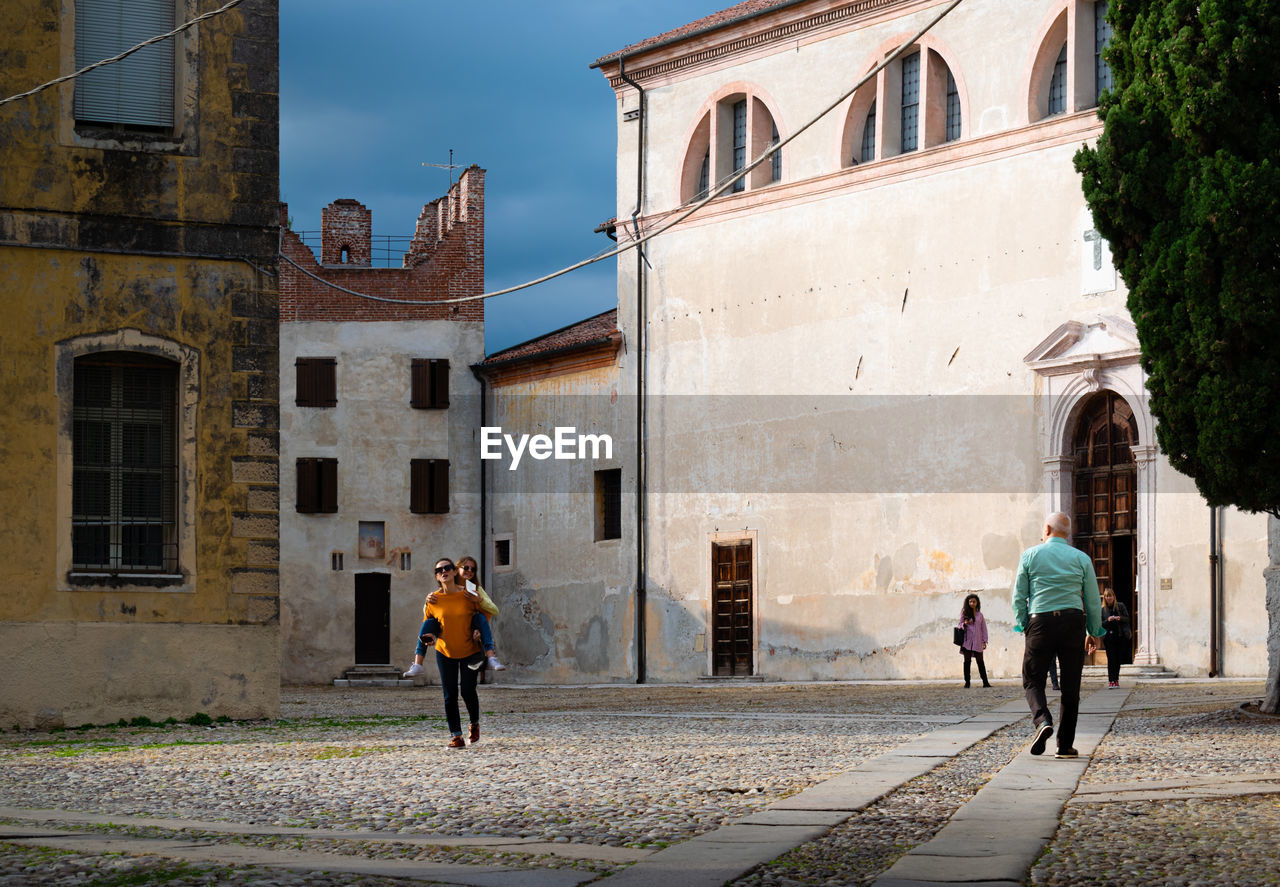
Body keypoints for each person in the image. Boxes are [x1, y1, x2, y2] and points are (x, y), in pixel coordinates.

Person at [1013, 512, 1104, 759]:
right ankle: (1064, 745)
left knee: (1033, 680)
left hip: (1040, 621)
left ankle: (1042, 721)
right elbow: (1093, 600)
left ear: (1046, 529)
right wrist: (1093, 631)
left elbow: (1019, 595)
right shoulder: (1081, 558)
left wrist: (1023, 624)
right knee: (1071, 686)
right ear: (1068, 532)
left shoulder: (1030, 555)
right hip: (1073, 621)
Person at [403, 555, 504, 677]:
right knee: (428, 622)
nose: (470, 571)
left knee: (468, 691)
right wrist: (427, 602)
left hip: (469, 639)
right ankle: (418, 663)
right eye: (466, 567)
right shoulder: (440, 592)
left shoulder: (474, 591)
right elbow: (430, 615)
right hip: (446, 644)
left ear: (453, 571)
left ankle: (491, 657)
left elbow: (489, 612)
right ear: (456, 570)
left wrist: (480, 601)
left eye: (473, 569)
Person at [420, 558, 485, 747]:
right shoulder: (433, 599)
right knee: (449, 694)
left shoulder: (468, 593)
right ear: (436, 576)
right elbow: (428, 623)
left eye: (447, 568)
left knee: (467, 690)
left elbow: (484, 613)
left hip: (469, 651)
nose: (444, 571)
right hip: (444, 651)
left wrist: (479, 629)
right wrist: (429, 638)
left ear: (455, 572)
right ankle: (456, 735)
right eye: (439, 570)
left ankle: (474, 723)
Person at [958, 594, 992, 688]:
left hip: (977, 642)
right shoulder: (964, 613)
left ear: (977, 603)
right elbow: (959, 625)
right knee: (967, 661)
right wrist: (964, 624)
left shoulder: (980, 615)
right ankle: (967, 682)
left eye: (974, 601)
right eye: (970, 601)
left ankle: (985, 682)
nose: (972, 603)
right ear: (967, 603)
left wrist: (984, 641)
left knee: (980, 661)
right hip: (967, 641)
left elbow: (983, 628)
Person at [1101, 586, 1131, 688]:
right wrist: (1107, 620)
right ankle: (1111, 681)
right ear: (1104, 598)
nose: (1109, 598)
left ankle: (1116, 679)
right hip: (1108, 638)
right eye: (1106, 596)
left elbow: (1127, 619)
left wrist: (1120, 618)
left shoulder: (1120, 606)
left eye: (1110, 596)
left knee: (1118, 659)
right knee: (1111, 659)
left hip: (1119, 636)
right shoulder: (1103, 610)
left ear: (1114, 596)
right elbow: (1100, 624)